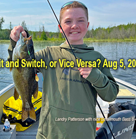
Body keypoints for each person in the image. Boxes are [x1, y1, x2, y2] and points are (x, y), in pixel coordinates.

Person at [8, 1, 119, 139]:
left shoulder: (97, 58)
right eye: (68, 21)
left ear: (87, 25)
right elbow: (22, 67)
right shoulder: (48, 54)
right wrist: (16, 42)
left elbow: (111, 95)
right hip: (48, 134)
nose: (74, 25)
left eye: (80, 20)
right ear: (60, 27)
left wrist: (95, 75)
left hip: (83, 134)